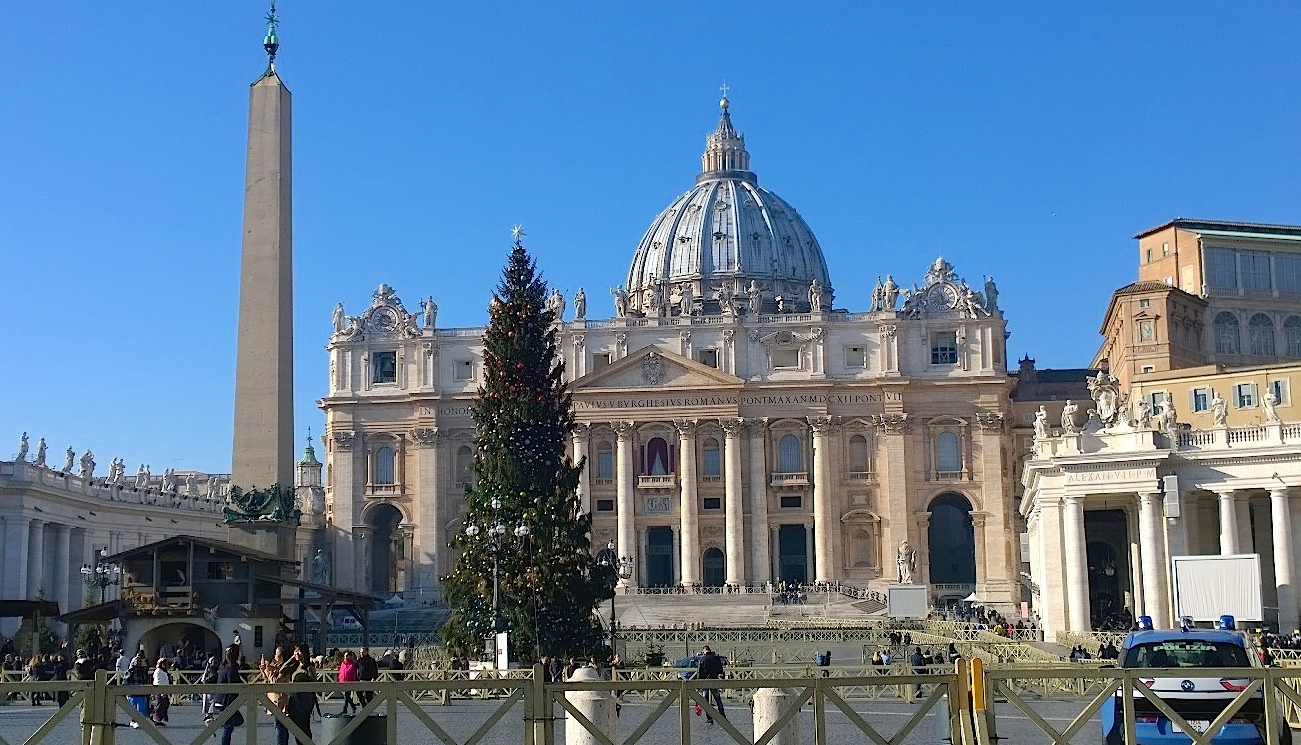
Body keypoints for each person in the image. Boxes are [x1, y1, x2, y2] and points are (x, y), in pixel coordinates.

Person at [214, 646, 245, 745]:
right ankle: (218, 722)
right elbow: (233, 686)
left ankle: (219, 721)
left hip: (220, 700)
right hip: (226, 702)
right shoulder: (231, 668)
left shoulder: (223, 666)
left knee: (236, 722)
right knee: (228, 727)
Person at [695, 645, 726, 724]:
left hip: (705, 682)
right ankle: (722, 717)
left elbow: (699, 672)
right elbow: (720, 670)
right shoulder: (716, 658)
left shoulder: (702, 659)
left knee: (706, 702)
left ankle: (709, 718)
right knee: (718, 699)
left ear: (703, 651)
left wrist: (698, 684)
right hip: (714, 680)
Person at [124, 654, 150, 726]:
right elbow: (126, 681)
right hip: (132, 693)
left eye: (140, 661)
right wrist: (125, 691)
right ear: (133, 662)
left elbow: (146, 681)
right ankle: (133, 721)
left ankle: (141, 721)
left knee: (142, 708)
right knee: (133, 708)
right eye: (137, 661)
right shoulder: (130, 671)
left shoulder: (144, 671)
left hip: (142, 693)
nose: (138, 663)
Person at [151, 657, 172, 725]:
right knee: (159, 705)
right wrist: (160, 691)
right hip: (160, 691)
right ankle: (156, 719)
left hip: (165, 690)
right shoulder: (158, 671)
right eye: (164, 663)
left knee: (165, 704)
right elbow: (158, 681)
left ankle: (158, 718)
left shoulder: (164, 670)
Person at [338, 650, 359, 714]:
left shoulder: (352, 664)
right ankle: (352, 706)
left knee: (346, 695)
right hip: (342, 681)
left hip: (349, 682)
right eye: (345, 655)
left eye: (347, 655)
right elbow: (341, 672)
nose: (345, 657)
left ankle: (346, 708)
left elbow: (354, 674)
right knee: (346, 695)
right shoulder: (342, 664)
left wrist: (354, 682)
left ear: (350, 656)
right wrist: (339, 679)